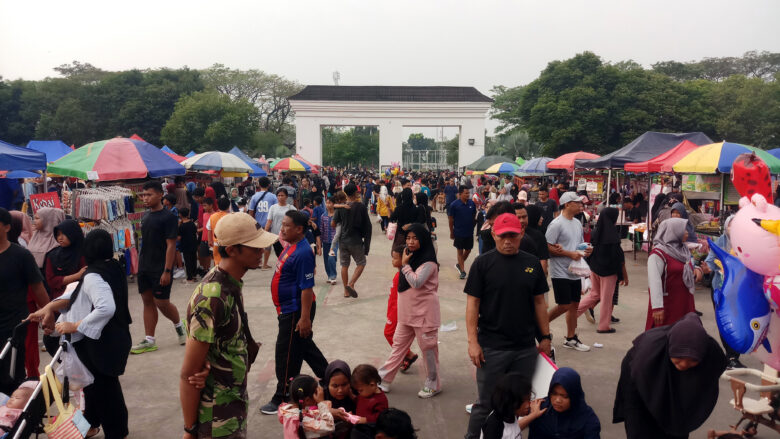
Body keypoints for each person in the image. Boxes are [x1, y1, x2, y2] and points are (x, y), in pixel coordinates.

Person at [28, 229, 132, 439]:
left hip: (102, 340)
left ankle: (116, 432)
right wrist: (49, 308)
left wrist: (74, 325)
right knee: (94, 384)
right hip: (114, 335)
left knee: (105, 388)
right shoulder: (112, 267)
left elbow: (106, 308)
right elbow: (77, 295)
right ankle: (91, 424)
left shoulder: (93, 274)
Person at [180, 212, 276, 439]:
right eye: (254, 248)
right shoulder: (212, 296)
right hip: (216, 418)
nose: (261, 252)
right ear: (232, 250)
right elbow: (189, 374)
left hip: (232, 403)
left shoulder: (230, 283)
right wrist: (189, 430)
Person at [464, 213, 551, 439]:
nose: (507, 241)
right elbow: (473, 304)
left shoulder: (531, 263)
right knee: (486, 403)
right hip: (491, 348)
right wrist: (473, 342)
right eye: (502, 236)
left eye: (512, 235)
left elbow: (540, 302)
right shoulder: (482, 264)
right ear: (493, 235)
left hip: (525, 347)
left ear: (521, 233)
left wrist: (545, 336)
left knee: (522, 402)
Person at [613, 312, 728, 438]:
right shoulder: (646, 355)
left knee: (677, 429)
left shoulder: (711, 353)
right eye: (678, 358)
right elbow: (634, 405)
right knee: (640, 430)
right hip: (640, 386)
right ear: (670, 349)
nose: (684, 364)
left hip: (678, 394)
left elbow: (707, 386)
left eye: (693, 360)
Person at [261, 211, 329, 416]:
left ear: (299, 229)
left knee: (286, 354)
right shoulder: (291, 246)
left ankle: (282, 396)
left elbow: (307, 288)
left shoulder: (303, 252)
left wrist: (304, 317)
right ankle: (331, 377)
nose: (281, 229)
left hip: (296, 311)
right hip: (288, 310)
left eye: (286, 225)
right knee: (304, 347)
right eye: (282, 224)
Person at [378, 224, 441, 398]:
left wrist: (404, 265)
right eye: (408, 238)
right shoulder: (411, 257)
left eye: (415, 238)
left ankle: (433, 383)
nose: (410, 242)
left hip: (424, 316)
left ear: (424, 240)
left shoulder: (429, 262)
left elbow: (417, 281)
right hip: (406, 315)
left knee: (428, 350)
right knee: (398, 347)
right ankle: (384, 379)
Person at [131, 180, 185, 355]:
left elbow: (171, 245)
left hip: (160, 267)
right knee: (147, 301)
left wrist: (167, 270)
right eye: (144, 195)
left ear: (160, 195)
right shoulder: (145, 216)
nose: (145, 198)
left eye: (149, 195)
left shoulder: (168, 217)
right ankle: (149, 340)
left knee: (161, 302)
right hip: (145, 266)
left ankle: (179, 326)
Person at [546, 192, 592, 352]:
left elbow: (578, 245)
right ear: (567, 204)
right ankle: (538, 325)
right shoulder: (556, 224)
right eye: (577, 203)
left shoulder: (577, 223)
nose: (580, 205)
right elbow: (547, 246)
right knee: (564, 305)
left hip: (575, 270)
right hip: (560, 272)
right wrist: (568, 253)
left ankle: (571, 338)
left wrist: (585, 250)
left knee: (574, 305)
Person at [700, 216, 743, 369]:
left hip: (739, 290)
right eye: (730, 225)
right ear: (725, 227)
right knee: (726, 323)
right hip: (720, 288)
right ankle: (731, 356)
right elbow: (710, 261)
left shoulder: (746, 241)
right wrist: (707, 269)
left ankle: (733, 356)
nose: (733, 228)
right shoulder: (721, 242)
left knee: (739, 322)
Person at [576, 207, 627, 334]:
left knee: (594, 294)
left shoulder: (596, 232)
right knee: (606, 298)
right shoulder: (613, 235)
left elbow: (591, 249)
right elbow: (618, 258)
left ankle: (573, 313)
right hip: (609, 272)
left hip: (595, 268)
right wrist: (622, 275)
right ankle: (604, 326)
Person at [646, 218, 703, 330]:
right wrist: (657, 307)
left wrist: (699, 270)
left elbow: (687, 268)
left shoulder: (683, 250)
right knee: (665, 337)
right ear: (672, 232)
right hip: (668, 305)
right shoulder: (658, 254)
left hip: (684, 302)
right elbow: (654, 282)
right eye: (683, 230)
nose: (687, 232)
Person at [41, 219, 86, 356]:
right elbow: (51, 281)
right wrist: (76, 275)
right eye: (58, 234)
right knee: (54, 339)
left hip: (79, 302)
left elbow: (86, 277)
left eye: (64, 234)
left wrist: (76, 277)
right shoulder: (52, 255)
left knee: (78, 339)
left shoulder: (84, 253)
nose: (60, 237)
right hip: (58, 303)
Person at [528, 367, 601, 438]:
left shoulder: (588, 419)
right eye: (554, 393)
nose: (558, 400)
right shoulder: (539, 410)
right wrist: (532, 416)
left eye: (565, 396)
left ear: (574, 396)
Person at [333, 183, 371, 299]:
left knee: (344, 265)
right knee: (361, 263)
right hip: (355, 240)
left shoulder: (341, 207)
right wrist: (367, 242)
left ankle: (346, 291)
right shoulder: (361, 207)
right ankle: (351, 283)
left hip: (343, 241)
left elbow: (333, 224)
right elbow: (367, 226)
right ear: (355, 193)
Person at [278, 374, 335, 439]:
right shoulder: (301, 420)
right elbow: (330, 427)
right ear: (307, 400)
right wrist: (321, 402)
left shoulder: (286, 409)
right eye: (316, 393)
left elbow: (308, 413)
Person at [480, 373, 535, 439]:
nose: (528, 405)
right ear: (510, 401)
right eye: (522, 401)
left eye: (529, 399)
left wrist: (534, 414)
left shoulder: (510, 414)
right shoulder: (494, 427)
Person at [248, 177, 278, 269]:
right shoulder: (273, 196)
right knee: (267, 243)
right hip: (268, 224)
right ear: (269, 185)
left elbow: (251, 211)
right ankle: (265, 264)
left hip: (257, 224)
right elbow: (275, 210)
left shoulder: (254, 196)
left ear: (259, 185)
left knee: (257, 243)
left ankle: (257, 262)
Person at [448, 185, 477, 279]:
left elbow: (473, 216)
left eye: (468, 193)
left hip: (469, 232)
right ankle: (463, 271)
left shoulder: (472, 204)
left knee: (468, 250)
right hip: (459, 232)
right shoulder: (454, 205)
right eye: (466, 193)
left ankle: (459, 265)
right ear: (460, 194)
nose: (468, 195)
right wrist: (452, 232)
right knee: (460, 251)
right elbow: (451, 220)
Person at [323, 360, 356, 438]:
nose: (340, 390)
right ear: (328, 384)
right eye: (335, 386)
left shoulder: (357, 393)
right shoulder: (321, 396)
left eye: (344, 384)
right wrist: (326, 411)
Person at [266, 188, 297, 258]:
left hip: (287, 237)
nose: (280, 197)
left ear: (286, 196)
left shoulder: (291, 208)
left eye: (282, 195)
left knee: (286, 256)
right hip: (276, 236)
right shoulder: (273, 208)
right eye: (278, 195)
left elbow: (298, 219)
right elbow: (269, 221)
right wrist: (265, 232)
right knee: (279, 255)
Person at [523, 205, 550, 275]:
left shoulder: (516, 233)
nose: (542, 218)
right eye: (539, 216)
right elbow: (543, 264)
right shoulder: (538, 236)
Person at [178, 207, 199, 284]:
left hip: (186, 245)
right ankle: (194, 276)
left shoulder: (182, 226)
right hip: (193, 244)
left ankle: (189, 278)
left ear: (180, 215)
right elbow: (195, 232)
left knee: (188, 261)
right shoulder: (192, 223)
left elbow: (179, 237)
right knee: (193, 260)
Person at [208, 197, 231, 265]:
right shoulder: (230, 216)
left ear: (218, 206)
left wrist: (209, 241)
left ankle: (217, 274)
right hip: (228, 243)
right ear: (229, 206)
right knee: (227, 261)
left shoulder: (212, 216)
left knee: (217, 261)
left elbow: (209, 229)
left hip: (216, 243)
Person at [197, 197, 215, 274]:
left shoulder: (215, 215)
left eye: (205, 205)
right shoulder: (204, 214)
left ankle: (214, 271)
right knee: (204, 256)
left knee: (213, 257)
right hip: (203, 239)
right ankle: (206, 270)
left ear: (211, 205)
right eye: (203, 206)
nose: (204, 208)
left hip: (212, 240)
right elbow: (205, 227)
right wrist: (198, 230)